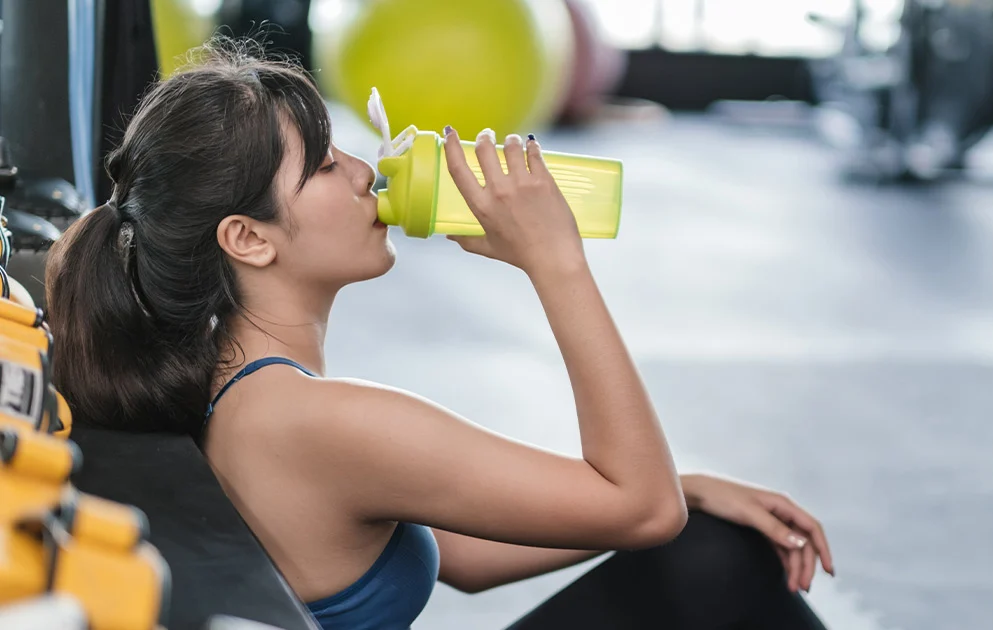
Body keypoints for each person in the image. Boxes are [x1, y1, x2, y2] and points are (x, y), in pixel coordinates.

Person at [44, 38, 833, 630]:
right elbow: (644, 510)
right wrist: (556, 265)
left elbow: (466, 558)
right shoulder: (313, 418)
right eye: (322, 164)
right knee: (715, 565)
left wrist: (687, 487)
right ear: (248, 238)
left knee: (702, 546)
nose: (364, 172)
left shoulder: (243, 384)